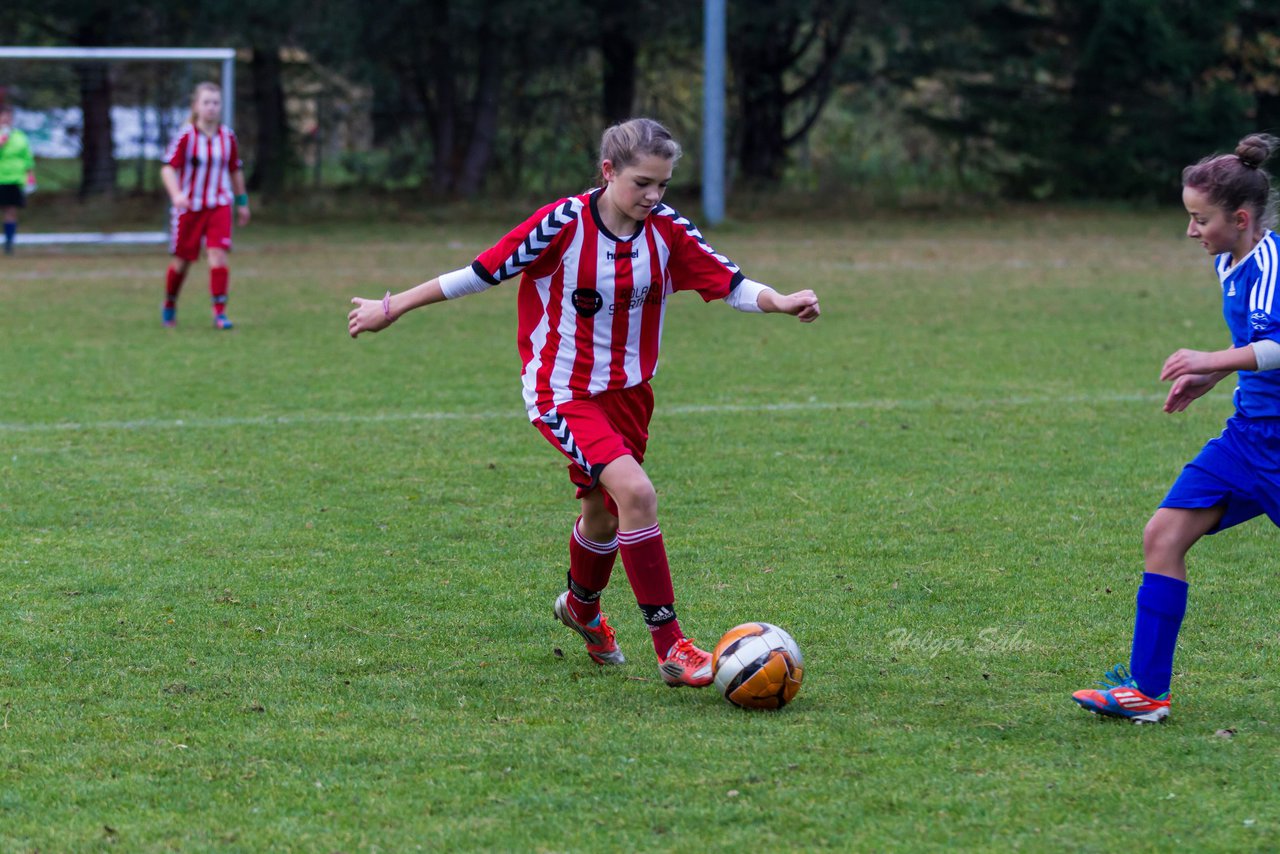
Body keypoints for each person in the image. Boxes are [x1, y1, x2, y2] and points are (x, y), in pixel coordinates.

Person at [348, 118, 820, 687]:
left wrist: (782, 300)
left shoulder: (667, 231)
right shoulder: (563, 224)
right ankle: (672, 646)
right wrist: (391, 306)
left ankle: (581, 609)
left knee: (605, 514)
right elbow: (479, 273)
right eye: (642, 182)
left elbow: (732, 283)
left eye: (663, 185)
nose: (653, 196)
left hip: (630, 395)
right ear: (608, 171)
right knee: (637, 493)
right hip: (561, 390)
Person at [1072, 133, 1280, 723]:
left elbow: (1276, 346)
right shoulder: (1227, 260)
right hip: (1246, 440)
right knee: (1163, 536)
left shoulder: (1272, 268)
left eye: (1200, 219)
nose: (1191, 231)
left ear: (1239, 219)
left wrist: (1210, 361)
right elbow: (1253, 348)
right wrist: (1213, 380)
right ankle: (1147, 690)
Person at [159, 81, 250, 329]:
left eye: (216, 102)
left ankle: (220, 313)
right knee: (182, 261)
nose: (211, 107)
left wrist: (242, 202)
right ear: (196, 106)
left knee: (217, 254)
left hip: (219, 205)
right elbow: (168, 168)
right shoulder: (186, 136)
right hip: (190, 207)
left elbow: (235, 171)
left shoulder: (227, 137)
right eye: (206, 102)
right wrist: (177, 194)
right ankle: (170, 302)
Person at [0, 103, 37, 256]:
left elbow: (27, 158)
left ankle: (9, 245)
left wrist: (30, 176)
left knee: (11, 211)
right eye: (3, 116)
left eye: (9, 117)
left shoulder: (19, 136)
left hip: (14, 179)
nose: (6, 120)